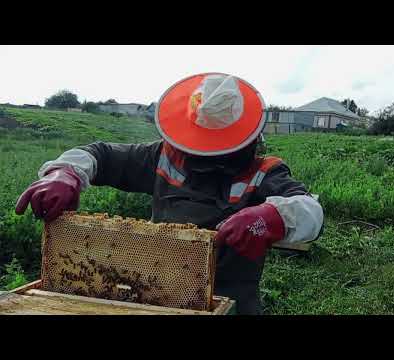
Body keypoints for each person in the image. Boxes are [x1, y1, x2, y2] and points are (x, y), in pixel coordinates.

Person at [15, 73, 324, 315]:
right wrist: (65, 172)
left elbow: (310, 210)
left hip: (233, 302)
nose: (206, 155)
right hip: (156, 296)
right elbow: (101, 154)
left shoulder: (265, 173)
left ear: (247, 140)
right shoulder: (162, 157)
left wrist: (271, 217)